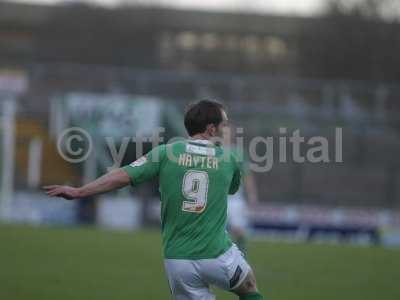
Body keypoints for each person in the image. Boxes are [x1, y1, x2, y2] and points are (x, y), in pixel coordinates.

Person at [44, 100, 264, 300]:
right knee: (249, 287)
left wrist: (80, 191)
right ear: (211, 129)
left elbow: (122, 175)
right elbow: (233, 188)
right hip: (217, 254)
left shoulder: (166, 153)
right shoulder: (229, 159)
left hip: (177, 260)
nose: (227, 129)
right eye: (224, 124)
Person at [223, 126, 259, 256]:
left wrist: (252, 194)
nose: (225, 135)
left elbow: (247, 175)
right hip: (217, 197)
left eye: (227, 132)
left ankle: (242, 257)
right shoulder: (213, 151)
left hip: (234, 198)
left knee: (239, 230)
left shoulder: (238, 152)